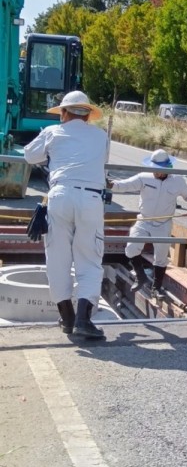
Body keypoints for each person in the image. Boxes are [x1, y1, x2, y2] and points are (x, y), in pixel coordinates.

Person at [24, 90, 109, 340]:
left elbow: (30, 155)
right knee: (89, 258)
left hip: (59, 197)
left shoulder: (52, 132)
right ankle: (84, 318)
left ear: (64, 113)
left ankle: (67, 317)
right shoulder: (101, 135)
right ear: (87, 115)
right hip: (91, 199)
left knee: (58, 258)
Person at [107, 149, 187, 295]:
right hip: (144, 219)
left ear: (167, 168)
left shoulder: (177, 180)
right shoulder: (144, 177)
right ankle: (141, 276)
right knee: (131, 248)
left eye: (159, 170)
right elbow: (125, 185)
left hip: (163, 223)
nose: (155, 172)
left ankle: (156, 288)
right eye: (154, 169)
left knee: (161, 256)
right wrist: (111, 184)